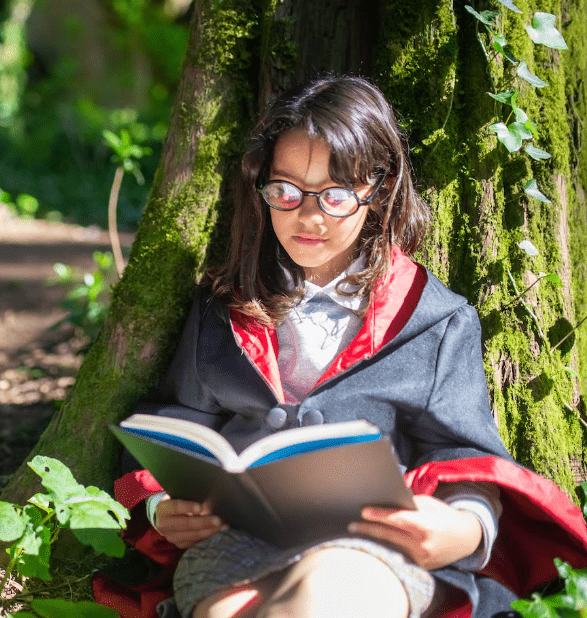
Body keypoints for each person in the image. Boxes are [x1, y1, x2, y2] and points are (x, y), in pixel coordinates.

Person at [93, 75, 587, 618]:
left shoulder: (434, 319)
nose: (308, 216)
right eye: (285, 190)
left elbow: (464, 453)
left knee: (320, 601)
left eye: (334, 195)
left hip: (373, 547)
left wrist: (466, 526)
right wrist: (164, 505)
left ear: (379, 190)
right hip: (237, 543)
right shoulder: (223, 306)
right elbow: (178, 420)